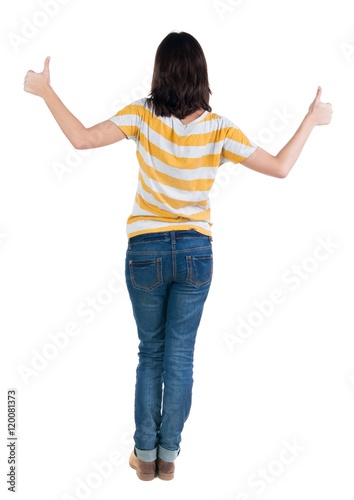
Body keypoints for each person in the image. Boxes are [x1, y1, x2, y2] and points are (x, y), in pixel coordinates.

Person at [24, 31, 333, 482]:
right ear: (202, 74)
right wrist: (309, 120)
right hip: (194, 253)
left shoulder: (142, 115)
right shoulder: (220, 128)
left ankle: (143, 455)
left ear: (160, 71)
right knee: (180, 357)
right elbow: (281, 167)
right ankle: (167, 455)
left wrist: (45, 90)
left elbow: (83, 139)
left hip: (145, 251)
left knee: (151, 353)